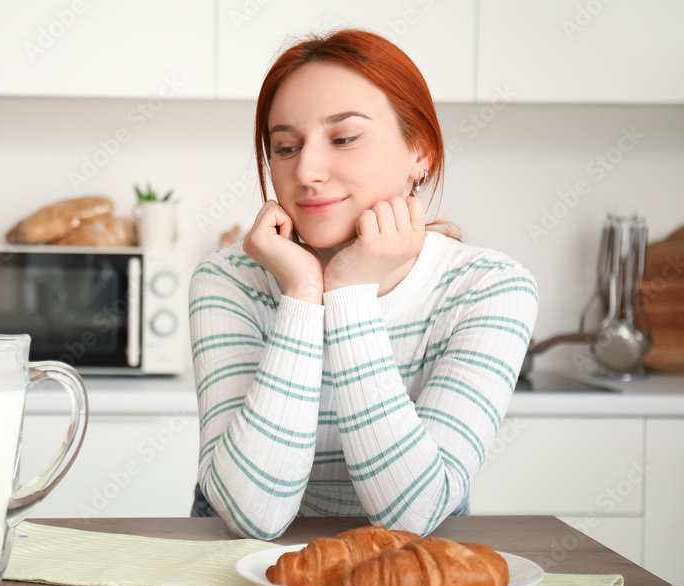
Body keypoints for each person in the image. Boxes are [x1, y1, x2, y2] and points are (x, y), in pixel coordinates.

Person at [188, 28, 538, 540]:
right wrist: (304, 293)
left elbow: (413, 517)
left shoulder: (489, 288)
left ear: (421, 152)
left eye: (344, 138)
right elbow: (252, 515)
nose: (306, 170)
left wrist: (349, 294)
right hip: (235, 578)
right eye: (285, 146)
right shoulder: (229, 280)